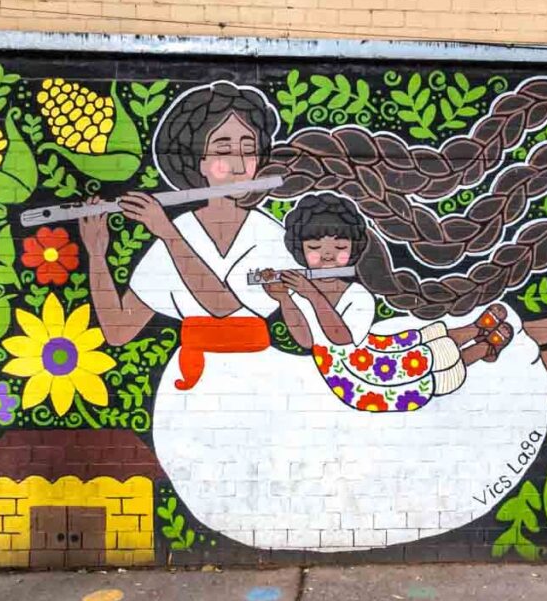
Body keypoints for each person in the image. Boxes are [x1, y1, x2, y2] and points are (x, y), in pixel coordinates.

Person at [78, 81, 298, 390]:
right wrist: (97, 255)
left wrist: (168, 233)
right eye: (223, 149)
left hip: (259, 378)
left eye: (248, 150)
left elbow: (223, 308)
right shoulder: (180, 229)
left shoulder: (268, 235)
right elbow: (118, 330)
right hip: (191, 379)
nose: (237, 163)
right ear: (200, 162)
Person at [261, 195, 516, 412]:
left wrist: (313, 294)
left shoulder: (357, 295)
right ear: (300, 251)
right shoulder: (300, 293)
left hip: (366, 356)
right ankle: (484, 348)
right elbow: (307, 340)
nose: (327, 255)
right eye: (315, 247)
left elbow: (341, 337)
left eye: (339, 246)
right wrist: (284, 298)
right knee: (432, 366)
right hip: (358, 381)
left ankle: (474, 328)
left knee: (418, 341)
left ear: (353, 249)